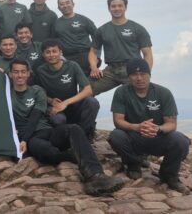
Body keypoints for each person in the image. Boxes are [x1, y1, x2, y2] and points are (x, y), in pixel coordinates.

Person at [9, 59, 124, 196]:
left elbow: (35, 116)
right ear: (10, 74)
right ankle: (74, 155)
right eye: (15, 72)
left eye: (23, 72)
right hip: (32, 139)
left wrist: (23, 140)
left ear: (28, 74)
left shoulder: (37, 91)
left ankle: (96, 176)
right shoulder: (7, 94)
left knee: (74, 128)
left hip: (48, 131)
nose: (19, 75)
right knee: (47, 152)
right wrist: (23, 140)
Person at [108, 59, 190, 193]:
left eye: (143, 74)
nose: (139, 78)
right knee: (116, 136)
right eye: (134, 74)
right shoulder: (121, 92)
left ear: (149, 74)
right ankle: (134, 164)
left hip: (157, 136)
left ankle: (169, 175)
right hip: (133, 136)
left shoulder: (163, 93)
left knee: (180, 140)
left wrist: (157, 128)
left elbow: (171, 124)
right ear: (129, 77)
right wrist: (137, 127)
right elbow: (118, 121)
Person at [89, 0, 153, 95]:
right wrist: (94, 67)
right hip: (111, 71)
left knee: (140, 96)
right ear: (109, 8)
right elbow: (93, 52)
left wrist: (146, 74)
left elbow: (148, 54)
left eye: (120, 6)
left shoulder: (137, 28)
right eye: (113, 6)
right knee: (86, 91)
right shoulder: (101, 30)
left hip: (133, 69)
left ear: (125, 7)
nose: (117, 8)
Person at [36, 39, 99, 141]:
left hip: (72, 104)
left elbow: (88, 91)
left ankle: (84, 137)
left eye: (54, 51)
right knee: (58, 120)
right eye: (48, 52)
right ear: (43, 54)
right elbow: (38, 93)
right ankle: (64, 139)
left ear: (60, 52)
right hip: (55, 107)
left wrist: (65, 103)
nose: (51, 55)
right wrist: (51, 101)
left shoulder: (72, 66)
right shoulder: (40, 71)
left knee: (92, 102)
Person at [54, 0, 96, 75]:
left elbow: (98, 38)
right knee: (69, 86)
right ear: (58, 8)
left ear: (73, 4)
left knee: (89, 85)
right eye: (62, 4)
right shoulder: (56, 24)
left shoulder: (84, 20)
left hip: (86, 57)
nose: (65, 6)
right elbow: (54, 42)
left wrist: (96, 57)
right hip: (67, 59)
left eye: (67, 3)